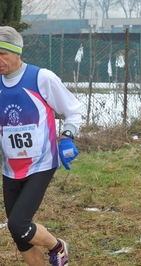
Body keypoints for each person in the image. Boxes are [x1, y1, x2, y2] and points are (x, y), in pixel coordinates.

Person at [0, 26, 82, 266]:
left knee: (18, 224)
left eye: (2, 53)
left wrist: (67, 136)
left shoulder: (41, 78)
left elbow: (73, 109)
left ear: (17, 52)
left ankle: (58, 246)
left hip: (41, 163)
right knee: (20, 236)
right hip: (10, 167)